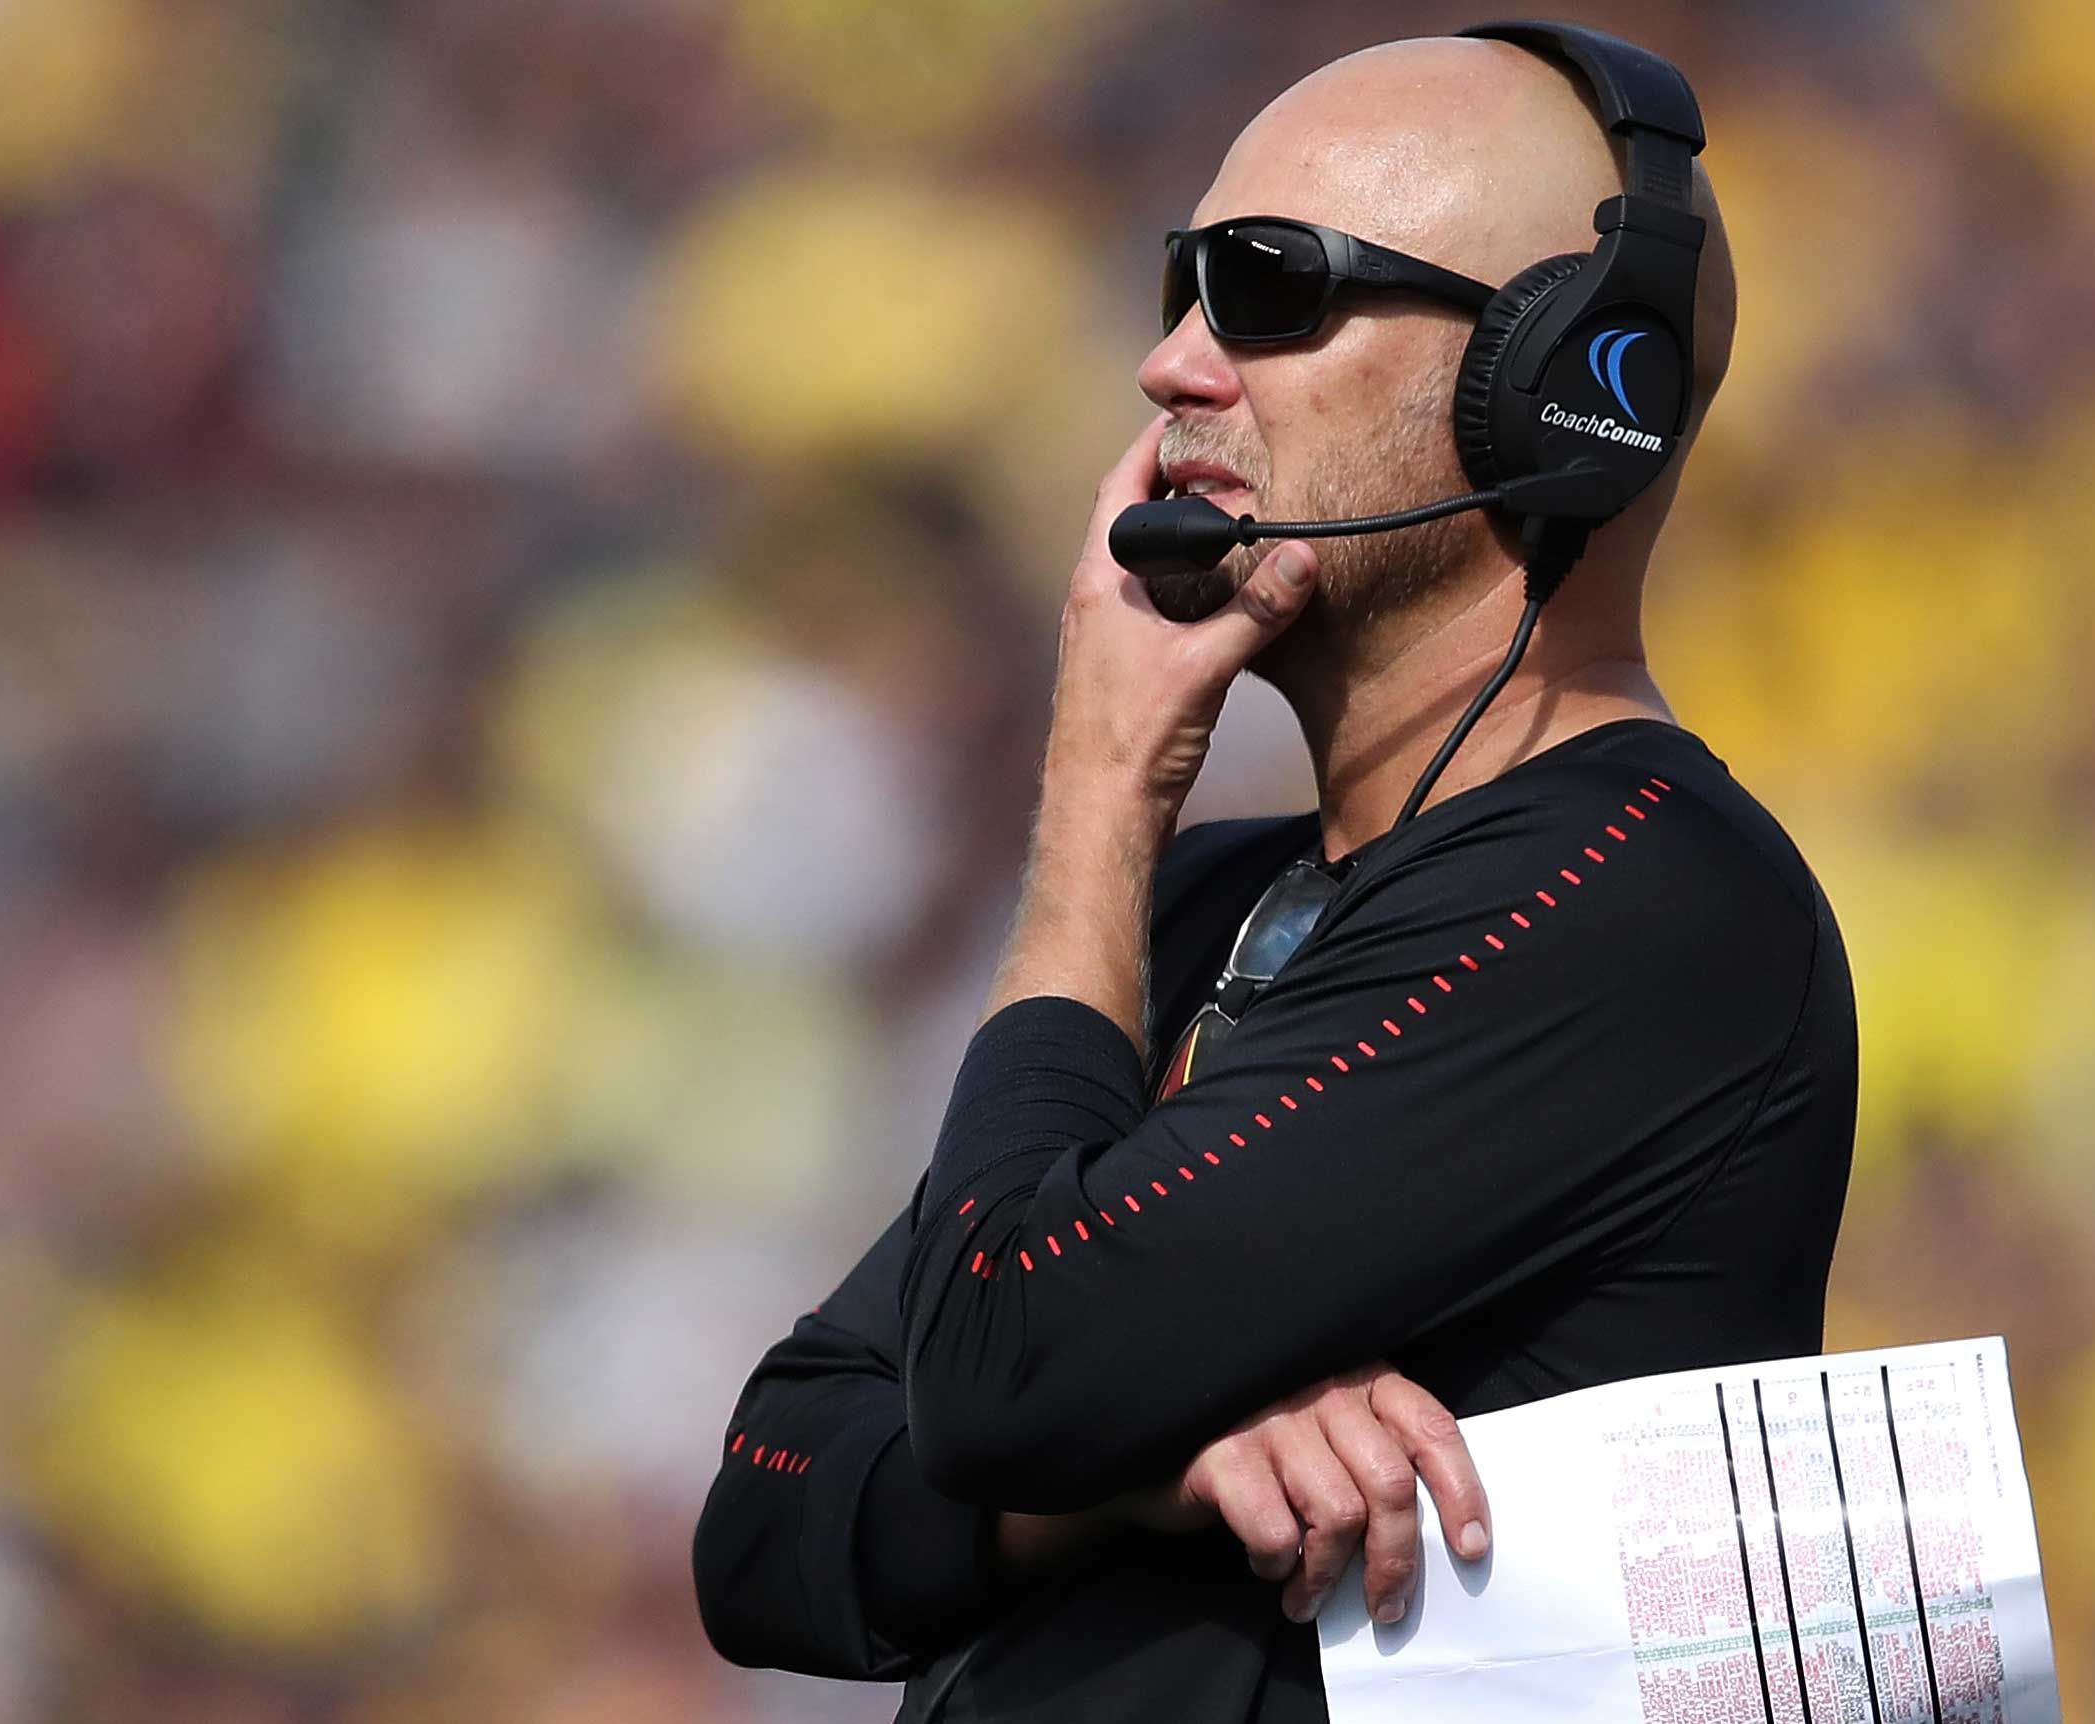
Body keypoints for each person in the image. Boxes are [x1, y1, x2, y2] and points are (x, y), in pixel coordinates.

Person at [692, 24, 1854, 1723]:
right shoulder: (1206, 899)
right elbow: (764, 1503)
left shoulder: (1648, 897)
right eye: (1181, 286)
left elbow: (1004, 1358)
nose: (1172, 365)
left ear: (1554, 379)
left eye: (1267, 289)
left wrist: (1101, 782)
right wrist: (1137, 1462)